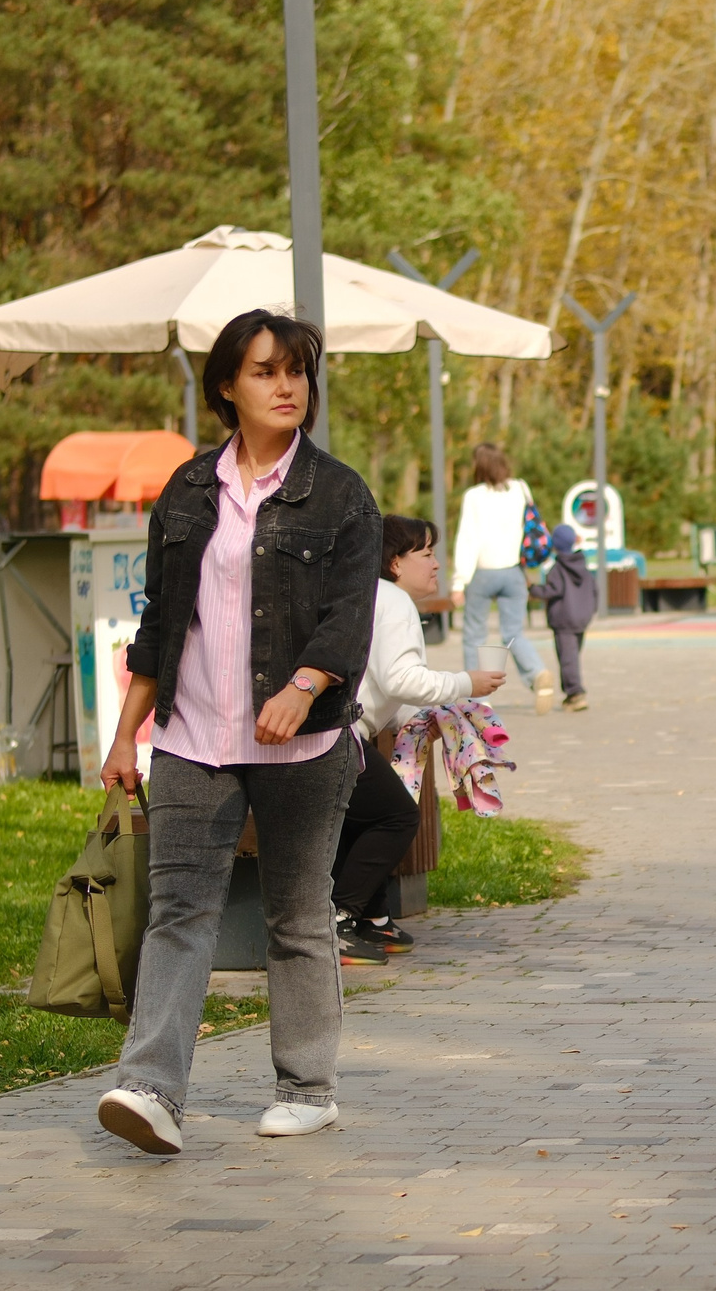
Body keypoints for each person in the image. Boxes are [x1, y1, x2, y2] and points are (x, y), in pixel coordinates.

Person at [91, 308, 380, 1156]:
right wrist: (124, 736)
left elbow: (349, 613)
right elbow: (161, 623)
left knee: (296, 913)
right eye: (265, 371)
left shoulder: (339, 494)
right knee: (180, 911)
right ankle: (150, 1089)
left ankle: (307, 1086)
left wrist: (304, 685)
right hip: (192, 736)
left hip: (305, 745)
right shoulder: (187, 491)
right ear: (227, 386)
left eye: (296, 371)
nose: (287, 386)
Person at [333, 515, 505, 963]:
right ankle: (339, 921)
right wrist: (467, 683)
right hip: (337, 735)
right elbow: (402, 678)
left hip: (341, 733)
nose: (435, 564)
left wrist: (426, 717)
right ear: (394, 561)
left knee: (364, 817)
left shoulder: (377, 597)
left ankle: (369, 918)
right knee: (396, 817)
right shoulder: (393, 601)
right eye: (426, 553)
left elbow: (384, 685)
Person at [450, 442, 556, 715]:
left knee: (474, 634)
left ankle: (478, 698)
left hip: (483, 573)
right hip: (513, 572)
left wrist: (459, 582)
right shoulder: (520, 488)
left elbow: (468, 538)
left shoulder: (474, 496)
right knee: (514, 633)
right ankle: (537, 673)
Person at [536, 523, 596, 711]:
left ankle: (576, 694)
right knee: (573, 656)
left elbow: (553, 590)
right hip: (581, 619)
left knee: (567, 658)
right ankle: (571, 695)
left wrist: (532, 589)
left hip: (563, 620)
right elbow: (595, 590)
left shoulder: (558, 569)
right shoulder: (582, 565)